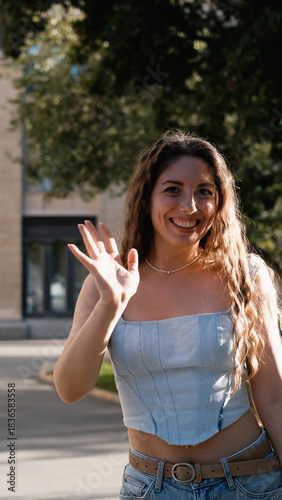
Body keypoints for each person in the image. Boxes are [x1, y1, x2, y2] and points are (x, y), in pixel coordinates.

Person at [53, 131, 282, 499]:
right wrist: (110, 305)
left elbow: (273, 400)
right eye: (173, 189)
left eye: (204, 191)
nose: (189, 206)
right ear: (147, 199)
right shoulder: (107, 283)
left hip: (250, 482)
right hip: (152, 487)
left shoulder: (247, 276)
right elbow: (69, 389)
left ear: (219, 202)